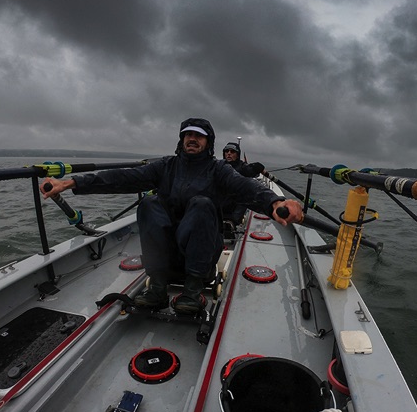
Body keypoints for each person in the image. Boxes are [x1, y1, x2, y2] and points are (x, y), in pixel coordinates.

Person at [41, 118, 302, 315]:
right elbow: (122, 177)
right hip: (169, 253)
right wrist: (72, 183)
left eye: (198, 136)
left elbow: (245, 187)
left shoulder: (218, 169)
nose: (192, 139)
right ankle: (157, 287)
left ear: (208, 143)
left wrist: (275, 201)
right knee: (149, 203)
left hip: (202, 253)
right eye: (187, 134)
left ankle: (193, 290)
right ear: (181, 139)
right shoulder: (165, 166)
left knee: (201, 204)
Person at [221, 141, 265, 225]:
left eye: (232, 151)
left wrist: (255, 168)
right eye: (227, 151)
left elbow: (249, 170)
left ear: (237, 154)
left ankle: (233, 223)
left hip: (236, 202)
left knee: (244, 198)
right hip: (222, 199)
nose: (229, 153)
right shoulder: (219, 166)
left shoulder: (242, 166)